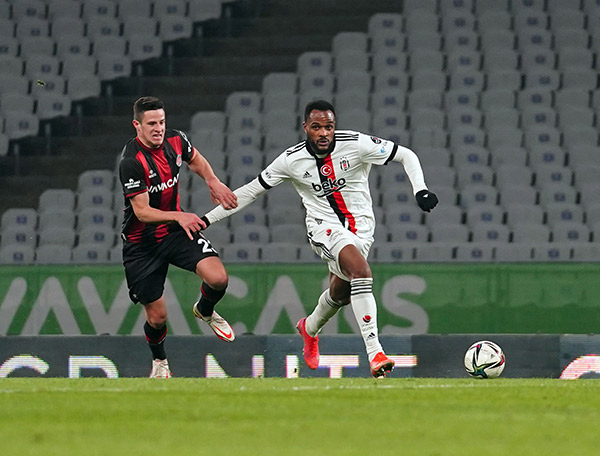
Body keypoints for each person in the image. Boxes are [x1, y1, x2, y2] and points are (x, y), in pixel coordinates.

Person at [200, 100, 438, 378]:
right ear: (306, 128)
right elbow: (251, 191)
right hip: (323, 228)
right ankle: (375, 353)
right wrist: (205, 220)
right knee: (361, 273)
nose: (324, 133)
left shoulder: (356, 144)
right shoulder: (291, 160)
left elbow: (406, 155)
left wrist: (420, 189)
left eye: (329, 127)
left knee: (341, 294)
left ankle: (309, 328)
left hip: (361, 230)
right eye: (316, 127)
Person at [118, 96, 238, 378]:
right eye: (151, 124)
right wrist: (178, 216)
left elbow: (195, 159)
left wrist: (213, 181)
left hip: (174, 232)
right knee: (157, 317)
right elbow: (142, 212)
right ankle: (160, 362)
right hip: (142, 245)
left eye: (161, 122)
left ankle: (205, 310)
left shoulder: (176, 140)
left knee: (218, 279)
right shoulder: (131, 162)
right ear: (137, 125)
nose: (158, 128)